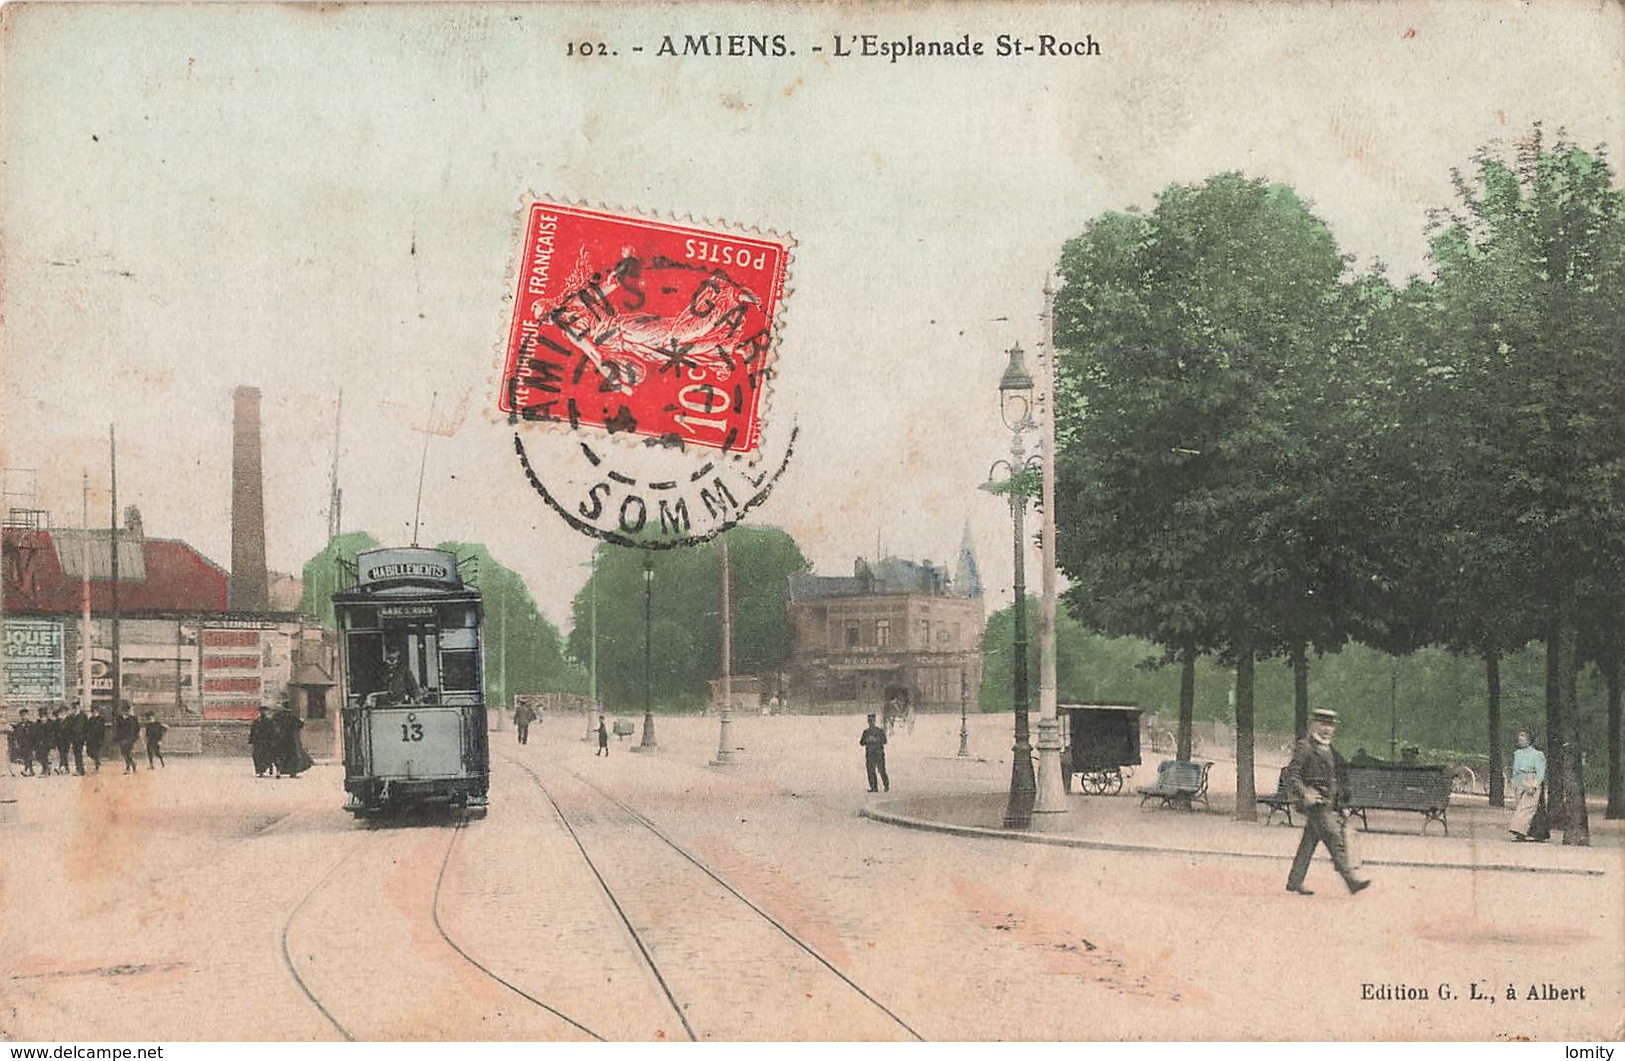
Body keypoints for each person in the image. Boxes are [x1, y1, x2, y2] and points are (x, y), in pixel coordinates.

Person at [1284, 707, 1371, 897]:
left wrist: (1341, 804)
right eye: (1322, 724)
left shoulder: (1328, 748)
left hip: (1328, 802)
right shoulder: (1305, 746)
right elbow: (1293, 774)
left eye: (1330, 725)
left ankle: (1294, 880)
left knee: (1309, 841)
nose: (1326, 729)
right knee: (1334, 838)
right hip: (1316, 804)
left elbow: (1335, 777)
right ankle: (1351, 881)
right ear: (1313, 725)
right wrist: (1305, 792)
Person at [1508, 726, 1548, 842]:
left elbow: (1541, 772)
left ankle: (1517, 830)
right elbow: (1515, 769)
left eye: (1523, 738)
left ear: (1529, 740)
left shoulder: (1537, 754)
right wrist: (1514, 781)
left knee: (1527, 808)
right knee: (1520, 806)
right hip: (1520, 780)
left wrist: (1535, 785)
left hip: (1531, 778)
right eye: (1519, 738)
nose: (1520, 740)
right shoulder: (1517, 753)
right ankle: (1522, 832)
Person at [273, 705, 314, 778]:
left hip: (280, 739)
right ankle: (292, 773)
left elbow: (273, 724)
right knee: (292, 756)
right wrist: (302, 721)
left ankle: (278, 772)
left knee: (280, 756)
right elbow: (299, 725)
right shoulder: (292, 716)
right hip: (290, 739)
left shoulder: (278, 716)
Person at [860, 712, 889, 792]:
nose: (870, 722)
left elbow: (884, 741)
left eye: (872, 720)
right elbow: (861, 742)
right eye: (869, 721)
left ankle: (886, 785)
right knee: (870, 771)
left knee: (881, 770)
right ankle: (874, 787)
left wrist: (876, 740)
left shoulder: (879, 731)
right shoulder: (866, 732)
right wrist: (866, 740)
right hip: (869, 754)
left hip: (878, 754)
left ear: (874, 721)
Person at [248, 706, 276, 777]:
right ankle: (259, 770)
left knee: (266, 755)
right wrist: (251, 739)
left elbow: (273, 731)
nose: (262, 713)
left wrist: (273, 740)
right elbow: (253, 731)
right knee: (257, 756)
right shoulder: (256, 721)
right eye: (261, 711)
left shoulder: (270, 721)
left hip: (266, 741)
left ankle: (265, 768)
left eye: (264, 711)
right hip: (258, 741)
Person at [114, 703, 141, 774]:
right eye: (125, 711)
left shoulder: (133, 719)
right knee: (124, 754)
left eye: (127, 710)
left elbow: (137, 728)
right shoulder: (119, 718)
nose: (126, 712)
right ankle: (132, 764)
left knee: (128, 753)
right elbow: (118, 729)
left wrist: (135, 738)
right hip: (122, 739)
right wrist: (117, 737)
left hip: (130, 739)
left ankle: (128, 767)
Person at [10, 708, 34, 776]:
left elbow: (34, 734)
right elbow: (16, 735)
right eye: (22, 715)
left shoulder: (31, 724)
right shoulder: (19, 725)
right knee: (25, 757)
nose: (24, 717)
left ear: (28, 715)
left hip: (30, 743)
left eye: (25, 715)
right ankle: (29, 770)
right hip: (22, 744)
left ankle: (28, 770)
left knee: (29, 757)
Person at [65, 703, 88, 775]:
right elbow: (68, 726)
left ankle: (80, 770)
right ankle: (79, 769)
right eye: (74, 708)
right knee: (76, 754)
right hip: (74, 738)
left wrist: (84, 738)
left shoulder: (82, 716)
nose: (75, 709)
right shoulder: (71, 717)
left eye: (77, 708)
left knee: (78, 754)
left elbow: (80, 728)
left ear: (79, 708)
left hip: (80, 738)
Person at [84, 707, 106, 773]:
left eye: (95, 711)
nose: (94, 713)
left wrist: (101, 739)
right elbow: (87, 728)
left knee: (96, 753)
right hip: (90, 739)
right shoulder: (90, 719)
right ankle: (97, 762)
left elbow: (102, 730)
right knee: (89, 752)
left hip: (97, 739)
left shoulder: (101, 720)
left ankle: (97, 767)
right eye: (93, 712)